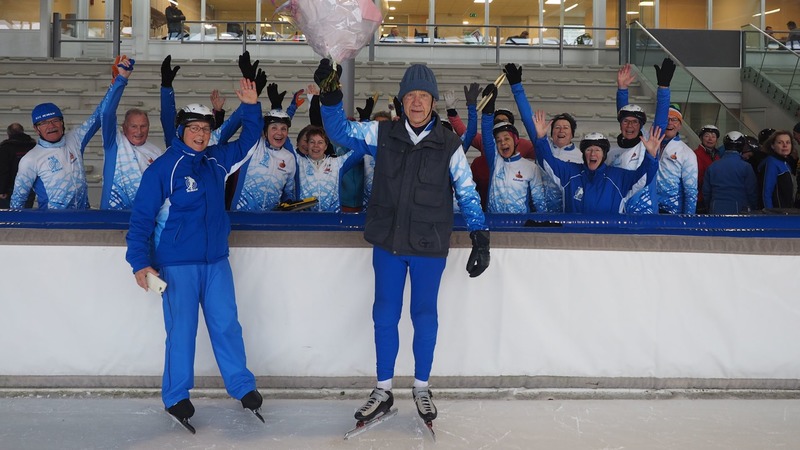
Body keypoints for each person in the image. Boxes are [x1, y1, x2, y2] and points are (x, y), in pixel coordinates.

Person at [315, 59, 489, 427]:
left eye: (423, 96)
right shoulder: (383, 134)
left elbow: (467, 190)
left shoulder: (449, 144)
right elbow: (340, 132)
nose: (417, 102)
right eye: (410, 95)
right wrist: (331, 97)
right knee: (384, 315)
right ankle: (383, 389)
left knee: (424, 316)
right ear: (401, 100)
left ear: (434, 102)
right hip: (389, 242)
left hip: (429, 244)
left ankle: (422, 387)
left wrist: (480, 234)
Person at [125, 78, 265, 429]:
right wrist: (140, 264)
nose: (201, 135)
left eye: (205, 129)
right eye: (194, 129)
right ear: (181, 130)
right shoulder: (163, 168)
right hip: (177, 265)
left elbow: (249, 141)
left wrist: (251, 106)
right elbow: (140, 220)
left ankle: (242, 386)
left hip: (216, 262)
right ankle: (176, 396)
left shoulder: (216, 160)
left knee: (226, 325)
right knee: (182, 331)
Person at [528, 109, 664, 213]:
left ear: (604, 155)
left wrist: (651, 156)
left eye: (597, 150)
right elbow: (547, 163)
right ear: (583, 153)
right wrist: (541, 138)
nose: (593, 153)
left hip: (608, 243)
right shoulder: (570, 173)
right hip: (573, 242)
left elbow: (643, 177)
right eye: (589, 150)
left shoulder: (618, 177)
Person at [11, 83, 113, 209]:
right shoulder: (30, 159)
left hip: (84, 218)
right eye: (44, 123)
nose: (51, 126)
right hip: (53, 225)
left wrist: (116, 83)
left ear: (62, 122)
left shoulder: (75, 139)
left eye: (55, 120)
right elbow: (17, 200)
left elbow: (99, 115)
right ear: (36, 129)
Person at [505, 62, 581, 212]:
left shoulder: (581, 157)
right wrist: (516, 87)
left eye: (566, 128)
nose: (561, 130)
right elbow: (528, 118)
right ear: (551, 132)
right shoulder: (542, 145)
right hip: (537, 208)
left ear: (572, 134)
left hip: (565, 213)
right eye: (557, 127)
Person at [607, 59, 673, 214]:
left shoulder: (649, 144)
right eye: (626, 122)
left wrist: (663, 88)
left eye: (635, 122)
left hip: (646, 214)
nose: (630, 126)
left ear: (641, 125)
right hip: (618, 213)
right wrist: (622, 89)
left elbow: (661, 123)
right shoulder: (611, 154)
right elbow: (623, 114)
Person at [100, 56, 164, 210]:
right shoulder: (114, 143)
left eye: (143, 126)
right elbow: (107, 113)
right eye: (133, 126)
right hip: (112, 217)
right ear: (124, 127)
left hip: (144, 218)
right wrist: (121, 79)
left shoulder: (156, 152)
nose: (139, 131)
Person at [479, 83, 546, 213]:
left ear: (515, 140)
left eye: (506, 138)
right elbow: (487, 138)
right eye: (498, 141)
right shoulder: (495, 161)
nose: (502, 143)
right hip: (495, 225)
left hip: (520, 227)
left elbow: (539, 203)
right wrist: (488, 110)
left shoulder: (531, 167)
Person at [294, 126, 364, 212]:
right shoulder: (298, 161)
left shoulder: (337, 163)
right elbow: (283, 139)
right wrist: (289, 114)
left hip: (332, 218)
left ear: (326, 146)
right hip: (304, 218)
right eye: (312, 142)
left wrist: (364, 120)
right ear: (307, 145)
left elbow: (360, 150)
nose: (316, 146)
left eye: (320, 142)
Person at [654, 105, 698, 214]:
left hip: (672, 212)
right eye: (666, 119)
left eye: (674, 119)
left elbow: (691, 192)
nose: (669, 123)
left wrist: (688, 221)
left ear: (680, 126)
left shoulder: (686, 152)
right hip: (648, 209)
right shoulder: (649, 145)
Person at [702, 131, 758, 214]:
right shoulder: (746, 167)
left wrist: (708, 207)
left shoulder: (712, 166)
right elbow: (751, 192)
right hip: (740, 209)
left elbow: (706, 192)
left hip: (715, 208)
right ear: (742, 146)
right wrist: (754, 208)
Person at [0, 123, 37, 208]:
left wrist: (2, 190)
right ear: (22, 131)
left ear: (9, 134)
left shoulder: (5, 148)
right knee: (25, 216)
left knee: (8, 218)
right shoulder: (34, 146)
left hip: (10, 189)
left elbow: (3, 170)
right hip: (29, 186)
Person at [758, 130, 796, 209]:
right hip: (777, 215)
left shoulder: (785, 163)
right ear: (772, 146)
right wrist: (770, 215)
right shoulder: (772, 162)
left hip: (786, 212)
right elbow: (766, 193)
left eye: (788, 142)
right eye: (780, 142)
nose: (785, 145)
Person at [694, 124, 721, 213]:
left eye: (713, 136)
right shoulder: (695, 154)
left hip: (714, 197)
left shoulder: (717, 156)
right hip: (700, 198)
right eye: (707, 136)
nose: (710, 139)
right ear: (701, 138)